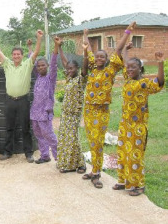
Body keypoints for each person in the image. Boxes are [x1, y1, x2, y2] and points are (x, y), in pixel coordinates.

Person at [82, 22, 136, 188]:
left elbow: (118, 50)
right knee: (92, 141)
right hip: (88, 110)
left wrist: (127, 31)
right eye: (97, 57)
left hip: (101, 111)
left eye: (102, 57)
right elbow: (88, 49)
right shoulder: (92, 68)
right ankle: (94, 169)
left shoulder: (110, 70)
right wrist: (85, 34)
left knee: (98, 142)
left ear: (106, 60)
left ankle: (97, 174)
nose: (98, 59)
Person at [113, 46, 164, 196]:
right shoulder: (128, 80)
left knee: (136, 155)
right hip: (125, 125)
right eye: (128, 68)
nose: (129, 70)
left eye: (133, 68)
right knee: (123, 153)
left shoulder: (144, 83)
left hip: (138, 126)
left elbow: (159, 82)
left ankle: (139, 185)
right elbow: (126, 64)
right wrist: (126, 52)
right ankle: (123, 181)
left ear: (140, 69)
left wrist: (160, 62)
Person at [0, 29, 42, 163]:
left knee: (25, 128)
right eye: (14, 54)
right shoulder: (7, 64)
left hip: (23, 101)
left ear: (22, 56)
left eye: (18, 54)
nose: (16, 56)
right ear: (12, 56)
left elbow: (36, 53)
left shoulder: (27, 65)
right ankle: (8, 152)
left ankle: (28, 153)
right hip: (9, 100)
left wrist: (39, 38)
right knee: (9, 127)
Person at [56, 31, 89, 173]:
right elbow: (64, 62)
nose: (69, 70)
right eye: (68, 69)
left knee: (73, 138)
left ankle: (81, 164)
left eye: (72, 68)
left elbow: (85, 67)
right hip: (65, 113)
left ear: (78, 69)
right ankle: (68, 164)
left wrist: (86, 53)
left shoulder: (81, 80)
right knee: (64, 138)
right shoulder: (69, 78)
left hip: (74, 115)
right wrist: (60, 47)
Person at [30, 37, 62, 164]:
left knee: (49, 136)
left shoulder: (51, 78)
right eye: (39, 66)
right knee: (39, 135)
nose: (40, 67)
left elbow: (54, 63)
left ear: (47, 66)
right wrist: (30, 48)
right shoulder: (38, 77)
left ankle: (60, 159)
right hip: (34, 112)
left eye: (43, 65)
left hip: (44, 112)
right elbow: (31, 61)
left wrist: (55, 46)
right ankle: (45, 156)